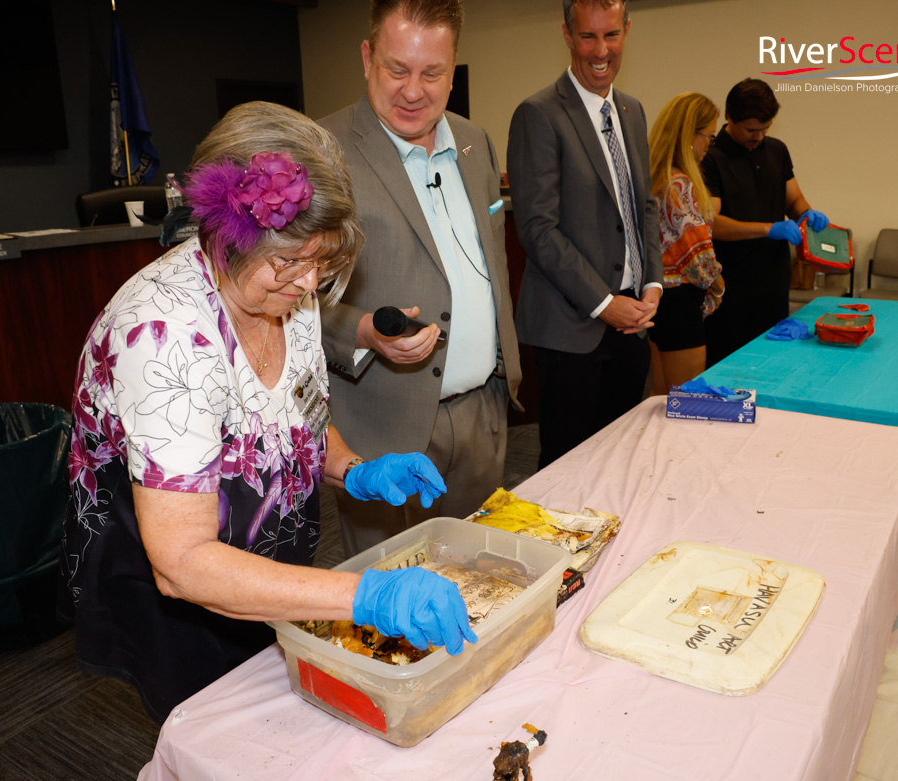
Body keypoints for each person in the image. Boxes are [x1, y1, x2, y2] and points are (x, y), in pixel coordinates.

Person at [58, 102, 477, 724]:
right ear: (226, 237)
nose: (310, 284)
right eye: (291, 261)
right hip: (178, 586)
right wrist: (365, 595)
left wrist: (352, 469)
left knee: (282, 712)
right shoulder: (164, 333)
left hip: (259, 550)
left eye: (324, 262)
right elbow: (184, 562)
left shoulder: (287, 289)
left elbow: (292, 412)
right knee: (220, 732)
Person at [318, 0, 521, 556]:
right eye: (397, 69)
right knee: (395, 603)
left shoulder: (475, 143)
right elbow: (282, 302)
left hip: (484, 412)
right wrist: (362, 331)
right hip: (384, 429)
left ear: (453, 68)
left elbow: (492, 266)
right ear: (367, 58)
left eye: (432, 73)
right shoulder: (321, 152)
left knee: (484, 575)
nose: (414, 91)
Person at [507, 0, 662, 470]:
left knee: (619, 460)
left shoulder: (632, 111)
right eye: (588, 37)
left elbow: (644, 207)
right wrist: (603, 302)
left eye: (611, 35)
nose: (601, 50)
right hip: (572, 327)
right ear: (568, 35)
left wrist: (652, 282)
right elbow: (537, 227)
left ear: (627, 31)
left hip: (633, 321)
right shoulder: (538, 114)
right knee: (568, 468)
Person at [700, 77, 829, 366]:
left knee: (772, 362)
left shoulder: (776, 150)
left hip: (773, 280)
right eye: (752, 129)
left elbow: (793, 200)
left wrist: (806, 214)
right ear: (730, 117)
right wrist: (767, 229)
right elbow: (712, 224)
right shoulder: (712, 157)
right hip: (731, 285)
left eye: (765, 129)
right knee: (730, 365)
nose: (759, 136)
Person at [647, 92, 726, 395]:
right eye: (709, 136)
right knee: (686, 399)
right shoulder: (680, 183)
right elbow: (696, 253)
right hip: (681, 302)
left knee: (660, 395)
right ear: (689, 135)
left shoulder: (655, 178)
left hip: (658, 298)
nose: (710, 144)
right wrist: (717, 284)